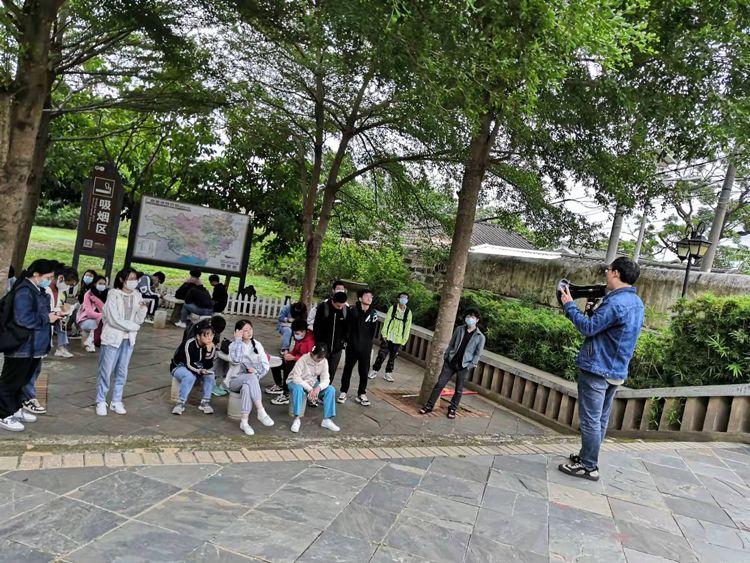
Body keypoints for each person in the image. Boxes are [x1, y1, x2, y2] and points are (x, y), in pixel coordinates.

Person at [557, 257, 645, 481]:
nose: (606, 273)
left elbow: (588, 329)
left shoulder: (616, 303)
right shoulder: (636, 302)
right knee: (600, 420)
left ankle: (589, 466)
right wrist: (591, 313)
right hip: (616, 370)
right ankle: (587, 456)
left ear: (616, 273)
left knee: (590, 420)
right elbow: (607, 329)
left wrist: (569, 305)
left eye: (608, 269)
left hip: (598, 368)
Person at [0, 259, 58, 431]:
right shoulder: (24, 291)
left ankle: (15, 409)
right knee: (10, 383)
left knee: (22, 382)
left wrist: (52, 316)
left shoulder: (38, 290)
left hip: (34, 347)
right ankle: (3, 414)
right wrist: (47, 318)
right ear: (36, 274)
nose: (50, 281)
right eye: (48, 277)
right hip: (21, 347)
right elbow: (23, 319)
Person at [94, 268, 148, 416]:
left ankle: (116, 400)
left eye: (135, 279)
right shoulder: (113, 294)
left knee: (122, 372)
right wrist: (133, 327)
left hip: (128, 339)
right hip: (112, 338)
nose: (133, 282)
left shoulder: (137, 295)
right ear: (122, 280)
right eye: (130, 279)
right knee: (106, 370)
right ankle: (101, 400)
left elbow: (139, 319)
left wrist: (143, 310)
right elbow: (113, 319)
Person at [419, 308, 486, 419]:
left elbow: (478, 354)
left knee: (459, 389)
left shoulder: (480, 337)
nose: (470, 319)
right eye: (468, 316)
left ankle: (453, 409)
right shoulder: (459, 329)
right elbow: (451, 344)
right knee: (440, 384)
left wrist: (470, 365)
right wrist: (447, 356)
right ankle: (429, 405)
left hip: (464, 365)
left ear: (477, 320)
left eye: (473, 317)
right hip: (450, 362)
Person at [224, 320, 275, 435]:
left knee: (247, 387)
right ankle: (261, 411)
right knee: (251, 378)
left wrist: (256, 371)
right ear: (238, 332)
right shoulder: (233, 345)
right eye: (245, 330)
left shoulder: (257, 345)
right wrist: (237, 340)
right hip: (234, 381)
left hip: (250, 381)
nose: (249, 332)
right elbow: (236, 360)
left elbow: (265, 366)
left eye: (250, 329)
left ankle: (244, 422)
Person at [287, 343, 340, 433]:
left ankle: (327, 420)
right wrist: (310, 389)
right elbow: (296, 378)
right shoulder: (303, 359)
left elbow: (326, 379)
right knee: (298, 389)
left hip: (312, 383)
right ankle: (297, 419)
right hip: (296, 382)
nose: (320, 359)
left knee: (330, 390)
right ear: (312, 354)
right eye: (318, 356)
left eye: (322, 356)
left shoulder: (324, 361)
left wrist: (318, 388)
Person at [338, 288, 379, 406]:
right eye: (367, 296)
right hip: (352, 345)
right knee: (348, 368)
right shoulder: (352, 310)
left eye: (371, 296)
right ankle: (343, 391)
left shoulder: (373, 313)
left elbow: (373, 331)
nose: (369, 298)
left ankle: (361, 393)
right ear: (360, 298)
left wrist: (367, 343)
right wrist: (347, 340)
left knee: (364, 371)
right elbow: (346, 327)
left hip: (366, 347)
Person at [170, 320, 217, 416]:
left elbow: (208, 365)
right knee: (189, 376)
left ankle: (205, 402)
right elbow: (188, 363)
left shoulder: (211, 346)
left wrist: (209, 351)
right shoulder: (189, 343)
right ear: (198, 336)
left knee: (210, 376)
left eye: (211, 335)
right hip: (180, 366)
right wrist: (199, 371)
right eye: (206, 335)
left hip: (199, 368)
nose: (209, 338)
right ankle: (180, 403)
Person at [269, 318, 315, 405]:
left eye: (297, 333)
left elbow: (309, 359)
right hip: (296, 360)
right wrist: (288, 355)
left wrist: (293, 358)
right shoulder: (300, 338)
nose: (295, 335)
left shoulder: (310, 342)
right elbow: (295, 350)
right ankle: (279, 385)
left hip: (305, 367)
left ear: (304, 331)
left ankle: (286, 394)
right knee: (276, 362)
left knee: (289, 366)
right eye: (294, 333)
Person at [370, 291, 413, 383]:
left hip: (398, 338)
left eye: (405, 298)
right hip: (389, 335)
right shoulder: (393, 308)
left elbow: (407, 327)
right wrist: (384, 334)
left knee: (393, 357)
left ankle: (388, 373)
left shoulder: (408, 312)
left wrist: (404, 340)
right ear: (398, 299)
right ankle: (374, 370)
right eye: (402, 297)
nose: (403, 299)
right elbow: (387, 321)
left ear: (407, 300)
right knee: (382, 354)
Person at [312, 290, 348, 387]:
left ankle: (325, 391)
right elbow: (316, 327)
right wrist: (319, 344)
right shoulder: (323, 307)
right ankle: (313, 390)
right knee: (318, 370)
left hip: (337, 349)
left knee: (331, 372)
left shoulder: (345, 310)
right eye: (338, 306)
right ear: (333, 301)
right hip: (323, 347)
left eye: (342, 306)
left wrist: (343, 341)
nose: (340, 308)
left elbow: (347, 328)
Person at [48, 264, 79, 358]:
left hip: (54, 316)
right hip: (46, 318)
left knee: (62, 323)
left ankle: (61, 347)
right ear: (61, 278)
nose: (68, 287)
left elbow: (58, 304)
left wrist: (64, 309)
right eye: (68, 284)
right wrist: (58, 311)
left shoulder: (59, 290)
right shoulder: (47, 288)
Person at [77, 275, 108, 353]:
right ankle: (90, 342)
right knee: (99, 322)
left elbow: (106, 309)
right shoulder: (88, 294)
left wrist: (96, 300)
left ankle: (92, 340)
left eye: (104, 284)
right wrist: (102, 316)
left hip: (102, 319)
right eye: (100, 283)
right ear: (94, 283)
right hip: (88, 319)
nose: (102, 285)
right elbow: (89, 313)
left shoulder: (107, 294)